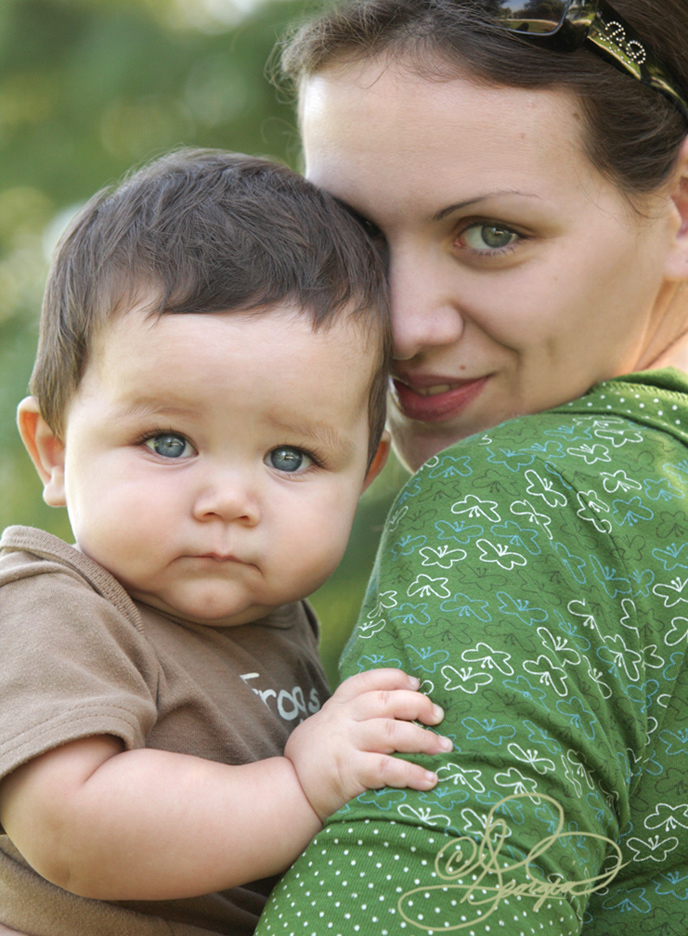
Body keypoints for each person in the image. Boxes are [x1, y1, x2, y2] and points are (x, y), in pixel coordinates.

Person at [254, 1, 688, 934]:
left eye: (491, 233)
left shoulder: (525, 504)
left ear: (680, 209)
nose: (406, 325)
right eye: (357, 241)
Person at [0, 149, 454, 936]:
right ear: (53, 451)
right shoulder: (51, 602)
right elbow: (71, 828)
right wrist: (301, 787)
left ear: (363, 474)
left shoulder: (284, 625)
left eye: (291, 458)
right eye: (168, 442)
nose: (230, 502)